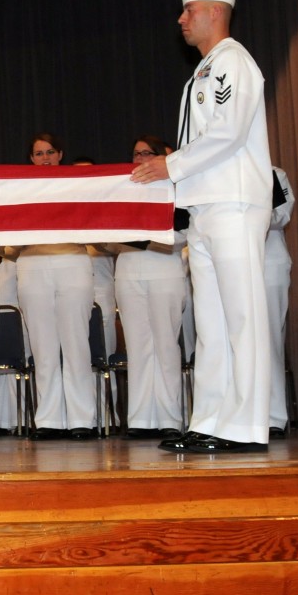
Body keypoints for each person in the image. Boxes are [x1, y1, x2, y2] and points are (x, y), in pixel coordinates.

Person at [132, 0, 274, 454]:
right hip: (206, 207)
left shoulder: (234, 61)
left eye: (188, 11)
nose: (181, 19)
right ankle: (212, 419)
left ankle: (247, 423)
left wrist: (169, 166)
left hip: (233, 203)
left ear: (215, 12)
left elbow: (228, 132)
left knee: (242, 317)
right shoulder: (205, 70)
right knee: (211, 325)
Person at [15, 133, 97, 440]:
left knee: (76, 342)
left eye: (50, 152)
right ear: (31, 159)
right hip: (33, 264)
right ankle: (48, 419)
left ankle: (81, 419)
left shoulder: (78, 184)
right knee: (43, 347)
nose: (45, 157)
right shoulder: (20, 188)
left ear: (61, 154)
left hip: (72, 260)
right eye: (38, 153)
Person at [111, 136, 188, 438]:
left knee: (165, 344)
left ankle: (169, 418)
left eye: (147, 153)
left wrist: (146, 237)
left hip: (165, 270)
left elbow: (183, 233)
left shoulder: (175, 190)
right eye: (136, 153)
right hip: (129, 271)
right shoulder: (120, 190)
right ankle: (142, 419)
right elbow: (107, 238)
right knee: (138, 346)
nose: (141, 158)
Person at [266, 166, 294, 438]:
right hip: (233, 267)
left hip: (268, 266)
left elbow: (282, 214)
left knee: (269, 340)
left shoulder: (273, 173)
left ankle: (273, 416)